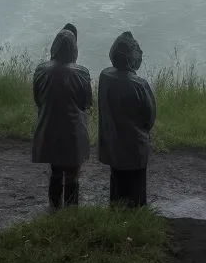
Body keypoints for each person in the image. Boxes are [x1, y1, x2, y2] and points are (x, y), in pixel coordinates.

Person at [32, 27, 92, 210]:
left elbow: (38, 100)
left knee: (56, 171)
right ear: (74, 49)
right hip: (74, 131)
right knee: (73, 173)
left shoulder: (41, 70)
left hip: (49, 128)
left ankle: (54, 209)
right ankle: (71, 213)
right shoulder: (81, 72)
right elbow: (86, 103)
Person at [98, 31, 156, 208]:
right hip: (135, 146)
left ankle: (116, 215)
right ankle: (135, 218)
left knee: (116, 184)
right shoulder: (140, 84)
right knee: (136, 190)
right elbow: (150, 117)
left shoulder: (105, 76)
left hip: (113, 143)